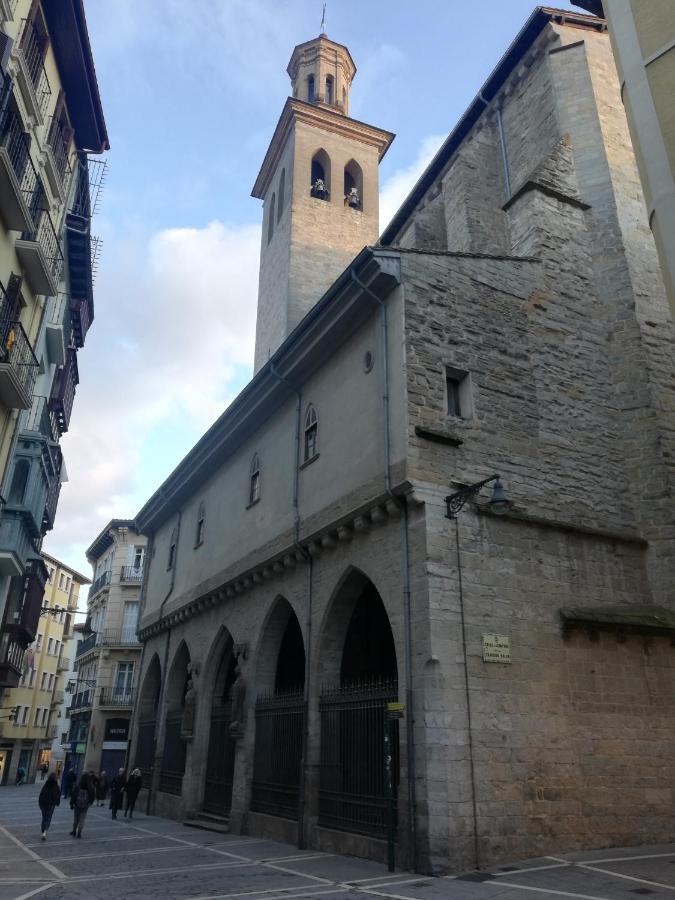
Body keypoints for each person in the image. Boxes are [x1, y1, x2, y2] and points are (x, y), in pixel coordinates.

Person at [69, 772, 95, 838]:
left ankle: (74, 831)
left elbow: (73, 795)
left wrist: (71, 803)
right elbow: (92, 795)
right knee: (82, 819)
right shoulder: (91, 787)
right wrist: (90, 802)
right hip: (85, 805)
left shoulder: (78, 786)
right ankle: (79, 833)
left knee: (76, 818)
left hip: (77, 804)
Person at [38, 773, 61, 840]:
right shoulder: (56, 786)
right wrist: (57, 803)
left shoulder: (46, 785)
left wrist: (40, 803)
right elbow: (58, 795)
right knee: (48, 818)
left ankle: (42, 831)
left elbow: (41, 794)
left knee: (44, 818)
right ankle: (45, 832)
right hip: (51, 804)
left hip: (44, 804)